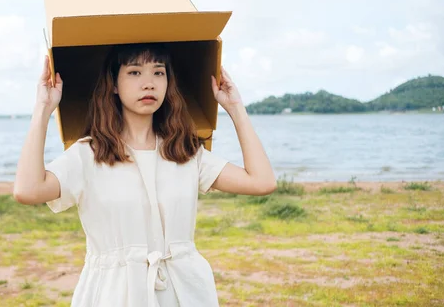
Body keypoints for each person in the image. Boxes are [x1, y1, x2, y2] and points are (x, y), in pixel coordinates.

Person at [14, 43, 276, 307]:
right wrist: (43, 109)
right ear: (114, 84)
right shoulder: (89, 154)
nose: (149, 83)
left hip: (184, 292)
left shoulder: (184, 152)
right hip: (114, 294)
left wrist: (235, 108)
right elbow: (28, 190)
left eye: (158, 72)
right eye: (135, 72)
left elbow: (262, 181)